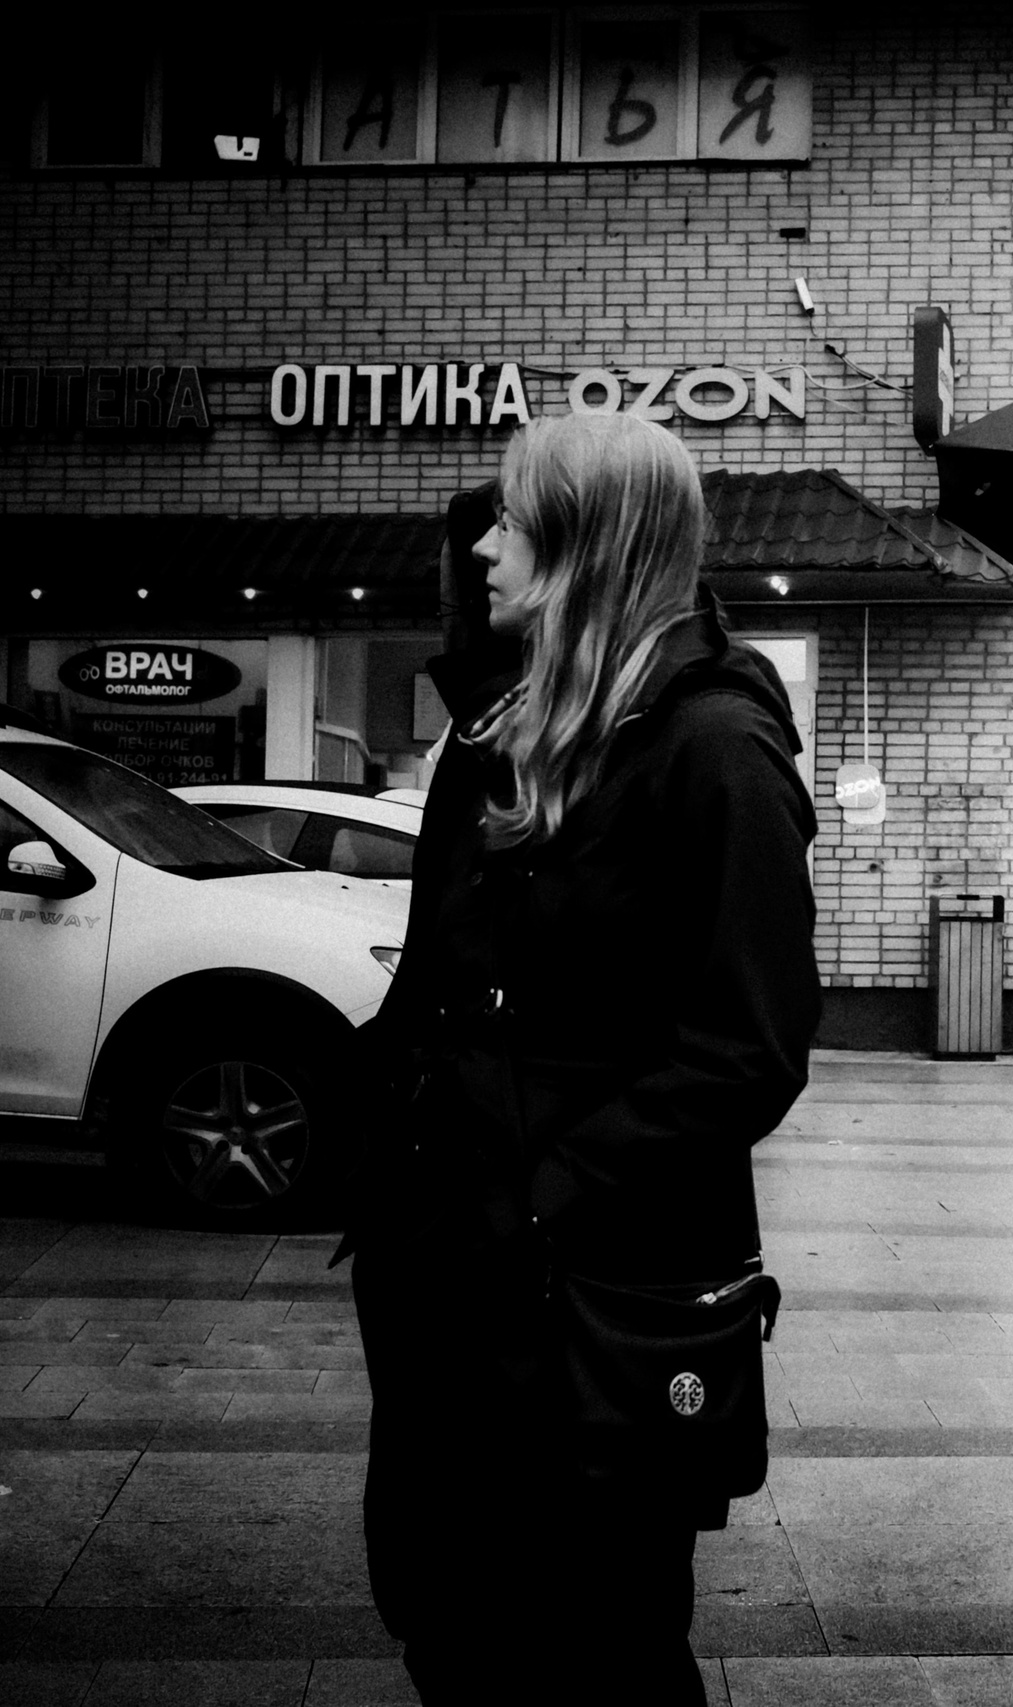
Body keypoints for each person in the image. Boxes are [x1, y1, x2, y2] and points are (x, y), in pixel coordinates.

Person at [346, 413, 818, 1704]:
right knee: (448, 1620)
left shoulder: (717, 751)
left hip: (594, 1299)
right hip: (454, 1282)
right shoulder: (508, 731)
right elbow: (444, 985)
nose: (483, 547)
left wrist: (539, 1198)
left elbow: (749, 1048)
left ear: (586, 545)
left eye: (512, 521)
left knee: (599, 1652)